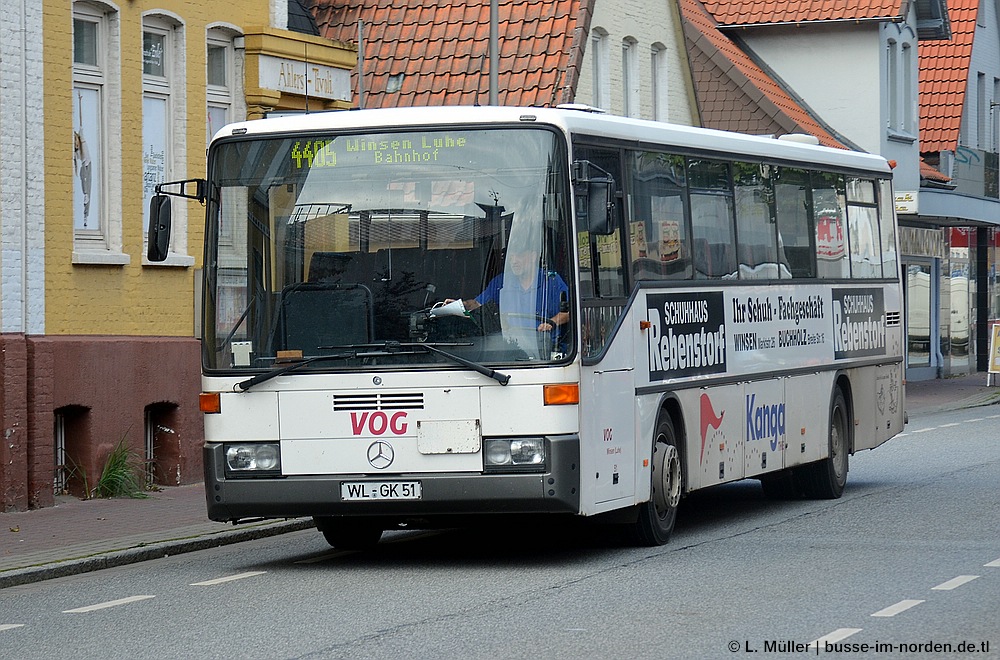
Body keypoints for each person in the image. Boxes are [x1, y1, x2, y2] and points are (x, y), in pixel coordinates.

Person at [445, 240, 569, 333]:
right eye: (511, 256)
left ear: (533, 256)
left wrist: (551, 322)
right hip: (510, 347)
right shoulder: (501, 282)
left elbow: (571, 312)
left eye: (519, 255)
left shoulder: (552, 281)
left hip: (545, 349)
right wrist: (460, 306)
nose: (514, 261)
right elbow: (477, 304)